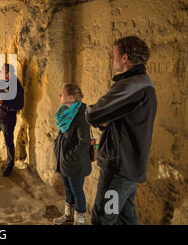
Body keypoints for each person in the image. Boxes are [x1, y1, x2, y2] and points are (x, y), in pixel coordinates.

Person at [85, 36, 157, 225]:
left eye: (114, 55)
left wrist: (102, 119)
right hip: (130, 167)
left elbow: (93, 114)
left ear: (125, 57)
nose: (112, 59)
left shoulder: (131, 85)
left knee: (104, 218)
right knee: (125, 218)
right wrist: (106, 121)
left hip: (118, 170)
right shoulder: (144, 82)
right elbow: (120, 116)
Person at [53, 84, 92, 225]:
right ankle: (68, 215)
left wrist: (69, 157)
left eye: (62, 93)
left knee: (77, 191)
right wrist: (57, 146)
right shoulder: (66, 111)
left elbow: (84, 143)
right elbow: (63, 134)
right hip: (64, 160)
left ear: (70, 97)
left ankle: (80, 221)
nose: (60, 95)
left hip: (75, 162)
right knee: (68, 189)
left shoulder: (81, 115)